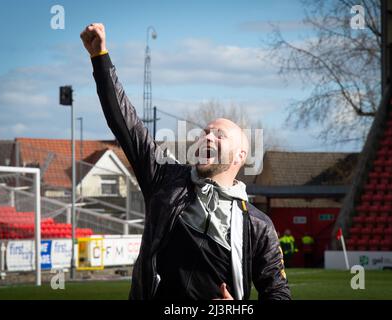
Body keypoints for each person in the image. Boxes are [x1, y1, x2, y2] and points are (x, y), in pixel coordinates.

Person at [80, 23, 290, 300]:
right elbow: (126, 124)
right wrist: (100, 58)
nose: (207, 138)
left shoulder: (258, 225)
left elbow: (278, 294)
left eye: (219, 135)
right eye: (204, 133)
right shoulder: (163, 178)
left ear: (241, 157)